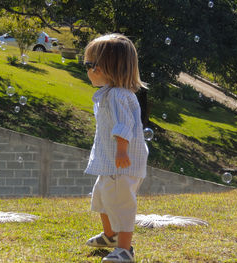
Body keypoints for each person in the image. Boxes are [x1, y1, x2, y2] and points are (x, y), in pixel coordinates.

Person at [84, 33, 149, 263]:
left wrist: (121, 150)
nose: (87, 69)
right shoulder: (110, 94)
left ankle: (125, 249)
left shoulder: (117, 96)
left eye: (90, 65)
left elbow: (125, 125)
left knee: (121, 204)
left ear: (107, 68)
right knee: (102, 198)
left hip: (122, 162)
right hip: (110, 162)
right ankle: (111, 236)